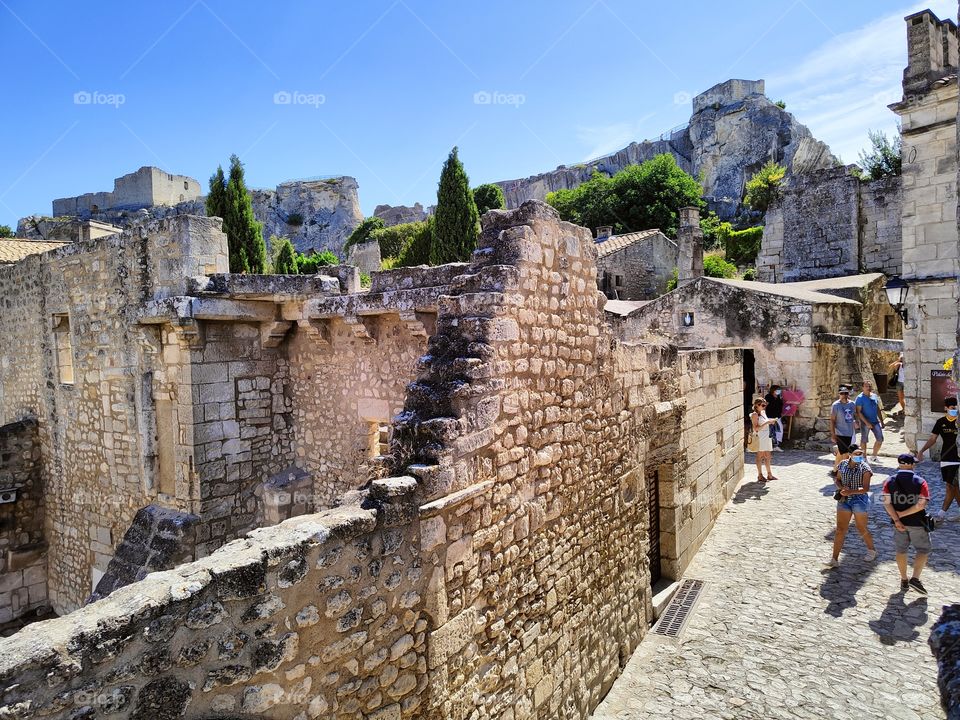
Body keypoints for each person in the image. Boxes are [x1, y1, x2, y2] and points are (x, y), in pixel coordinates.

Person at [880, 453, 931, 595]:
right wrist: (903, 514)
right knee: (923, 550)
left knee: (901, 550)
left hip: (898, 524)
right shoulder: (921, 481)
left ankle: (903, 579)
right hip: (918, 523)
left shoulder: (889, 481)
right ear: (910, 465)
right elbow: (921, 505)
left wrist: (897, 518)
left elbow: (886, 503)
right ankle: (915, 578)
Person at [826, 443, 877, 567]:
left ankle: (871, 550)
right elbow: (837, 479)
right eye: (857, 454)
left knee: (861, 527)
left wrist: (850, 491)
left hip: (859, 500)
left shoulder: (865, 468)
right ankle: (834, 559)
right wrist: (841, 488)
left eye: (861, 454)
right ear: (850, 454)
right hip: (844, 500)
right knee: (840, 529)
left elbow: (865, 488)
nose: (859, 456)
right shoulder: (842, 464)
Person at [916, 395, 960, 522]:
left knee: (951, 486)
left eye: (956, 407)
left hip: (957, 458)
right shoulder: (941, 422)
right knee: (953, 486)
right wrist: (922, 450)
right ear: (946, 408)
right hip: (946, 456)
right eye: (952, 407)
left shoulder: (959, 420)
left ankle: (941, 514)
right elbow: (933, 439)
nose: (954, 410)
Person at [830, 386, 859, 473]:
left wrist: (856, 422)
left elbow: (855, 415)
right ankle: (842, 473)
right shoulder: (836, 405)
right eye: (842, 393)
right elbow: (832, 420)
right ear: (839, 394)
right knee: (845, 454)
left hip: (849, 432)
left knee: (841, 452)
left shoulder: (852, 404)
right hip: (840, 433)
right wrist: (833, 434)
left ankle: (835, 469)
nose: (844, 395)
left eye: (846, 393)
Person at [855, 380, 884, 461]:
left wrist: (882, 421)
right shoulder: (859, 398)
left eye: (870, 386)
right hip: (865, 422)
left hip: (875, 421)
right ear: (863, 387)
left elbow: (877, 408)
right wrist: (866, 423)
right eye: (866, 386)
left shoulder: (874, 396)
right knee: (864, 440)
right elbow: (858, 412)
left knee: (880, 439)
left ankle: (874, 456)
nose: (868, 388)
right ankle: (863, 457)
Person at [750, 397, 778, 482]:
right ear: (757, 405)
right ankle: (760, 475)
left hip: (766, 436)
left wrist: (771, 421)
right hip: (760, 437)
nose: (764, 406)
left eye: (765, 405)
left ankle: (769, 474)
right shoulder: (754, 414)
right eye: (762, 405)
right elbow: (756, 428)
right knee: (760, 456)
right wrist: (767, 422)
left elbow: (764, 421)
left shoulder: (763, 412)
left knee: (768, 456)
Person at [764, 384, 784, 451]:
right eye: (777, 390)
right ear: (773, 390)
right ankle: (771, 445)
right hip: (770, 416)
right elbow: (765, 405)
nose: (779, 391)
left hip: (777, 416)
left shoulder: (778, 397)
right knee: (771, 431)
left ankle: (777, 444)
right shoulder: (768, 397)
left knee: (779, 430)